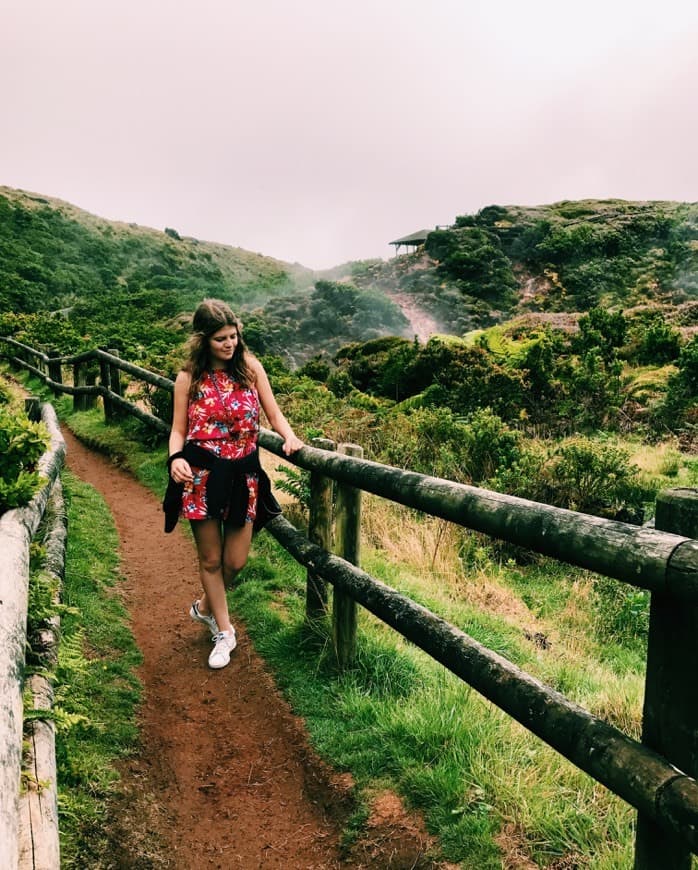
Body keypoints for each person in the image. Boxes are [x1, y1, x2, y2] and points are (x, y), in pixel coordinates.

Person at [164, 298, 303, 669]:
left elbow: (274, 414)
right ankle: (224, 632)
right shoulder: (188, 377)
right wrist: (175, 459)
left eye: (234, 336)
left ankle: (206, 607)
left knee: (236, 562)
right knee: (210, 560)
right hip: (201, 475)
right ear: (203, 340)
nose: (230, 344)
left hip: (244, 475)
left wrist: (290, 438)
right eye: (221, 339)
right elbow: (178, 431)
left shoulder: (251, 369)